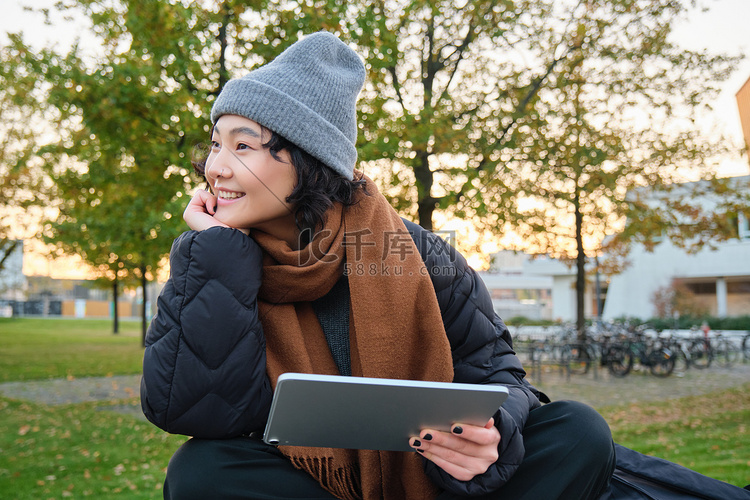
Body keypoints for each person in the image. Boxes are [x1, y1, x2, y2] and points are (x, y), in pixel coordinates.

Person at [140, 31, 615, 500]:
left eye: (242, 147)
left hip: (432, 474)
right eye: (216, 144)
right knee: (201, 470)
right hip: (309, 481)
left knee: (578, 431)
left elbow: (498, 374)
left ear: (308, 160)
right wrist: (221, 254)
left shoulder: (420, 253)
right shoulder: (214, 259)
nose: (216, 168)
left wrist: (494, 433)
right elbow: (195, 412)